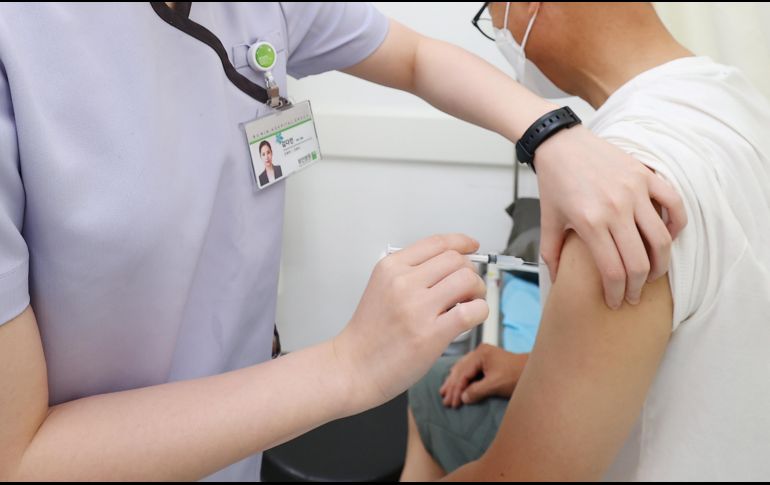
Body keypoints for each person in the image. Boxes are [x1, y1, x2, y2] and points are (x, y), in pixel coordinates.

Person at [0, 3, 685, 481]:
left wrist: (550, 133)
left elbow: (414, 56)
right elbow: (19, 458)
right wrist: (347, 366)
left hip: (238, 450)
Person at [401, 2, 770, 481]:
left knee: (426, 393)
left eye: (492, 10)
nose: (497, 26)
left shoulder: (613, 199)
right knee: (438, 385)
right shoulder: (734, 95)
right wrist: (530, 367)